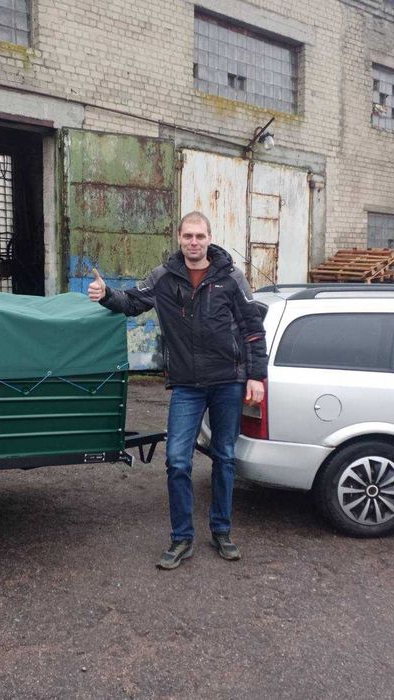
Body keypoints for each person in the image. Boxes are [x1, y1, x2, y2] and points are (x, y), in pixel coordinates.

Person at [87, 211, 267, 569]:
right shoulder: (163, 277)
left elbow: (252, 328)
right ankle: (182, 537)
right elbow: (131, 302)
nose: (194, 242)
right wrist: (106, 294)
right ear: (180, 238)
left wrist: (255, 376)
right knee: (177, 460)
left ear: (209, 238)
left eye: (200, 236)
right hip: (187, 385)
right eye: (188, 236)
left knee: (224, 457)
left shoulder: (231, 277)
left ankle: (221, 530)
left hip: (228, 381)